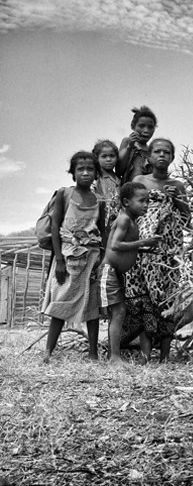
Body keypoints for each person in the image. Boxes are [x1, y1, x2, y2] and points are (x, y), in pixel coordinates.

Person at [123, 138, 189, 363]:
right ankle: (144, 355)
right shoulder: (139, 181)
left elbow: (186, 219)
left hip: (168, 252)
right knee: (144, 302)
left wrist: (177, 199)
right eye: (157, 151)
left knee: (167, 299)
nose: (162, 155)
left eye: (166, 152)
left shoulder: (177, 185)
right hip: (141, 250)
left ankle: (164, 356)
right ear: (149, 157)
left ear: (172, 158)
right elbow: (127, 212)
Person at [41, 151, 106, 363]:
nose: (85, 173)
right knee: (61, 301)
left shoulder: (100, 200)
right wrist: (59, 260)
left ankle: (93, 353)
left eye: (90, 169)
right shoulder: (64, 194)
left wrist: (102, 260)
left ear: (96, 173)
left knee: (91, 303)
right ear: (73, 172)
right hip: (68, 257)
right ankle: (48, 352)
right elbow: (55, 227)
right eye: (81, 169)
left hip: (91, 259)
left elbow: (102, 231)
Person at [101, 182, 161, 365]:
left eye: (148, 201)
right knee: (118, 312)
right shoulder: (124, 219)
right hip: (109, 272)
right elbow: (115, 245)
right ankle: (114, 357)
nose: (146, 205)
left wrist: (145, 248)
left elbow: (126, 247)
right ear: (126, 202)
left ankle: (113, 354)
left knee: (118, 313)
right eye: (141, 201)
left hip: (117, 273)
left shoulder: (132, 221)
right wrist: (143, 242)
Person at [117, 106, 157, 184]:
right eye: (141, 126)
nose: (146, 130)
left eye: (150, 127)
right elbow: (119, 170)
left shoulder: (152, 151)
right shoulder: (127, 142)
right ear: (133, 126)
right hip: (128, 189)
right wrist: (129, 147)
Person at [92, 139, 122, 225]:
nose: (108, 159)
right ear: (97, 158)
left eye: (112, 156)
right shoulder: (96, 178)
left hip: (117, 218)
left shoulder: (118, 178)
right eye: (104, 156)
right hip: (102, 218)